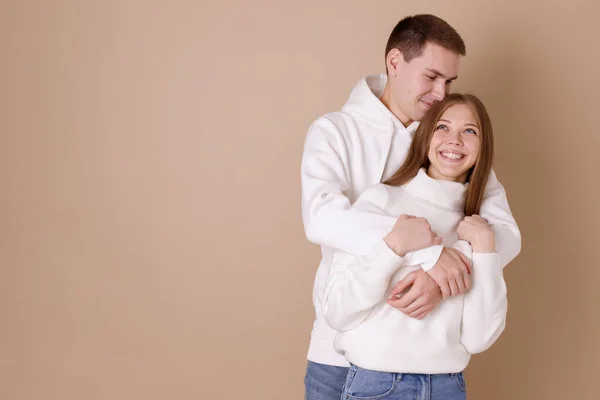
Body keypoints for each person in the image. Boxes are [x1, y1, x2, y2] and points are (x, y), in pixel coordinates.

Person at [301, 14, 521, 400]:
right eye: (431, 77)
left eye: (449, 81)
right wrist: (428, 254)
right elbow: (322, 218)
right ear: (395, 62)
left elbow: (503, 234)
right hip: (335, 346)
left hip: (431, 360)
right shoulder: (335, 131)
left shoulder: (449, 139)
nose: (441, 92)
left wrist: (445, 275)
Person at [322, 93, 507, 399]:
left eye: (470, 131)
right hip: (376, 386)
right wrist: (393, 247)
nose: (455, 140)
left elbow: (478, 338)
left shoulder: (476, 229)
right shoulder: (380, 201)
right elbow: (338, 312)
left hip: (447, 387)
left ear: (483, 146)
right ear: (425, 136)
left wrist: (486, 250)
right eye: (443, 127)